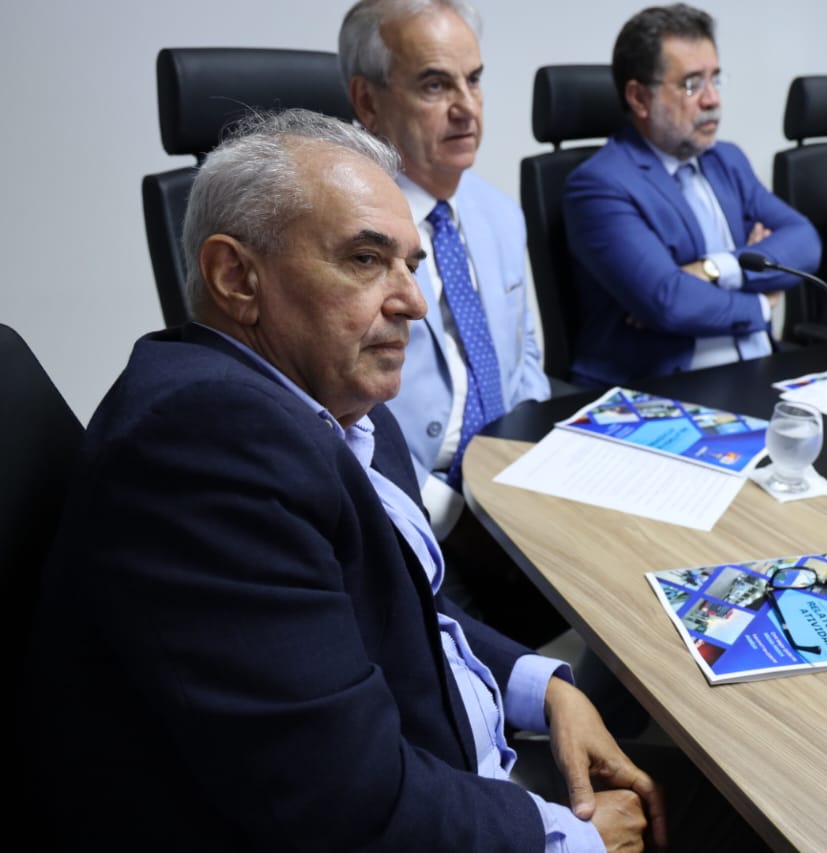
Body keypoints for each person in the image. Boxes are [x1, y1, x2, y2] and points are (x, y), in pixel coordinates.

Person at [20, 109, 660, 851]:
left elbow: (401, 607)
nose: (414, 302)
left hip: (457, 780)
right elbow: (346, 807)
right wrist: (572, 840)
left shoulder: (332, 398)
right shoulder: (205, 445)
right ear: (236, 277)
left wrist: (539, 684)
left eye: (411, 264)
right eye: (365, 259)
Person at [340, 0, 561, 647]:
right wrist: (450, 513)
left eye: (475, 79)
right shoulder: (343, 238)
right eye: (436, 85)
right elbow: (334, 413)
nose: (468, 108)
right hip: (411, 510)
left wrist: (523, 461)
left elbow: (526, 354)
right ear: (368, 101)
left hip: (507, 490)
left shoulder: (498, 211)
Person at [562, 2, 821, 387]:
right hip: (667, 389)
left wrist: (714, 269)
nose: (712, 99)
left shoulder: (726, 160)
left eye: (715, 79)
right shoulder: (599, 184)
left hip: (762, 368)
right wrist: (762, 304)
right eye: (691, 84)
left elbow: (804, 242)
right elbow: (669, 301)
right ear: (639, 98)